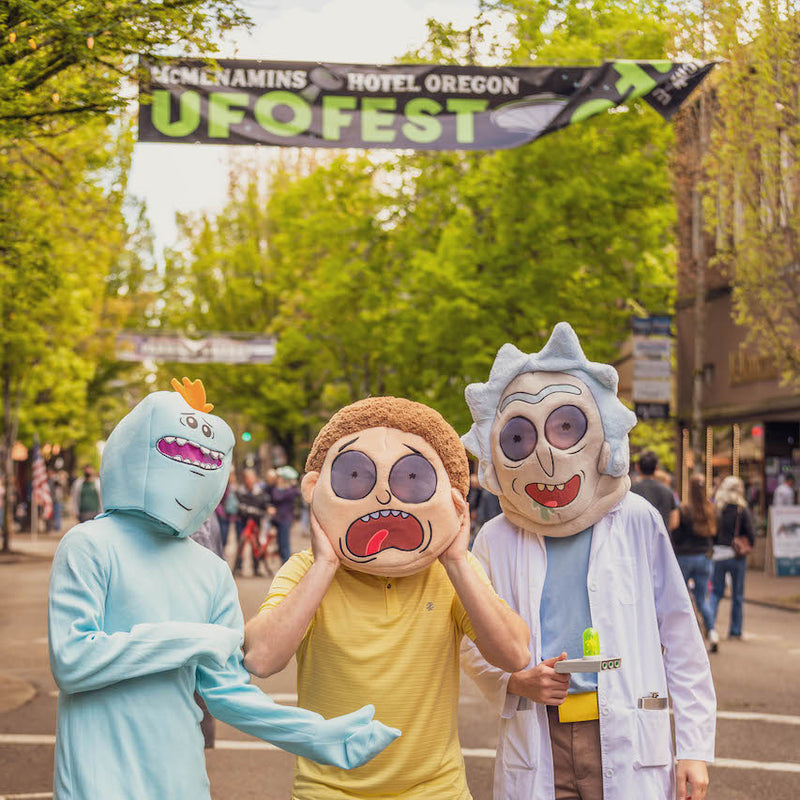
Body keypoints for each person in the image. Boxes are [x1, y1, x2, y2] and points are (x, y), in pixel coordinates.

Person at [459, 323, 715, 800]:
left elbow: (679, 632)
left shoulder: (636, 519)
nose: (546, 452)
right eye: (520, 437)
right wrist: (515, 681)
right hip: (540, 733)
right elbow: (470, 639)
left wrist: (694, 748)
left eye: (565, 427)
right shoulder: (495, 538)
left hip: (625, 729)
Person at [244, 396, 530, 800]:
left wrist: (455, 560)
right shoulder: (305, 569)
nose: (383, 496)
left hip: (435, 790)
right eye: (355, 476)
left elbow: (514, 654)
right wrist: (326, 565)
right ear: (315, 488)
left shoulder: (451, 573)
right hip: (327, 790)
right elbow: (261, 658)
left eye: (412, 478)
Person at [707, 475, 756, 645]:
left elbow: (711, 533)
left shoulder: (717, 509)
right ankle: (735, 630)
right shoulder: (742, 509)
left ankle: (710, 626)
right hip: (736, 556)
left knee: (715, 592)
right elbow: (751, 533)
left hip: (718, 555)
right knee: (737, 595)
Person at [671, 475, 716, 643]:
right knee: (702, 598)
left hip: (685, 557)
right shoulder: (711, 509)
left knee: (680, 597)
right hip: (704, 557)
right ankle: (712, 631)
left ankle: (687, 635)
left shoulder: (684, 510)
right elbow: (715, 535)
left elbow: (677, 534)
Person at [630, 450, 679, 532]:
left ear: (637, 467)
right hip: (661, 537)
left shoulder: (631, 491)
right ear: (656, 468)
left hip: (637, 537)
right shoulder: (667, 491)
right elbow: (674, 522)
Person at [270, 466, 300, 563]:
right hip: (279, 520)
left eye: (280, 478)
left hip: (285, 520)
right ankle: (284, 563)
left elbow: (277, 497)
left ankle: (286, 564)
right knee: (280, 544)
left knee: (284, 545)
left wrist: (279, 486)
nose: (278, 480)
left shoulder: (290, 491)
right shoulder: (285, 490)